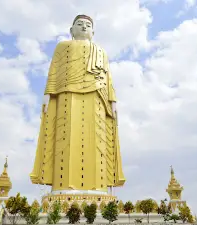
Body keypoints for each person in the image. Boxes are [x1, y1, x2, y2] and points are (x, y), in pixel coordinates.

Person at [30, 14, 125, 193]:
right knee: (65, 139)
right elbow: (54, 69)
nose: (83, 27)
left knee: (98, 140)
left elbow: (108, 77)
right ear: (71, 30)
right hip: (66, 93)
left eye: (87, 25)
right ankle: (63, 188)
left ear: (93, 32)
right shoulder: (63, 46)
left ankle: (98, 190)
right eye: (79, 24)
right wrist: (47, 93)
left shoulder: (101, 51)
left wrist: (113, 100)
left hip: (97, 96)